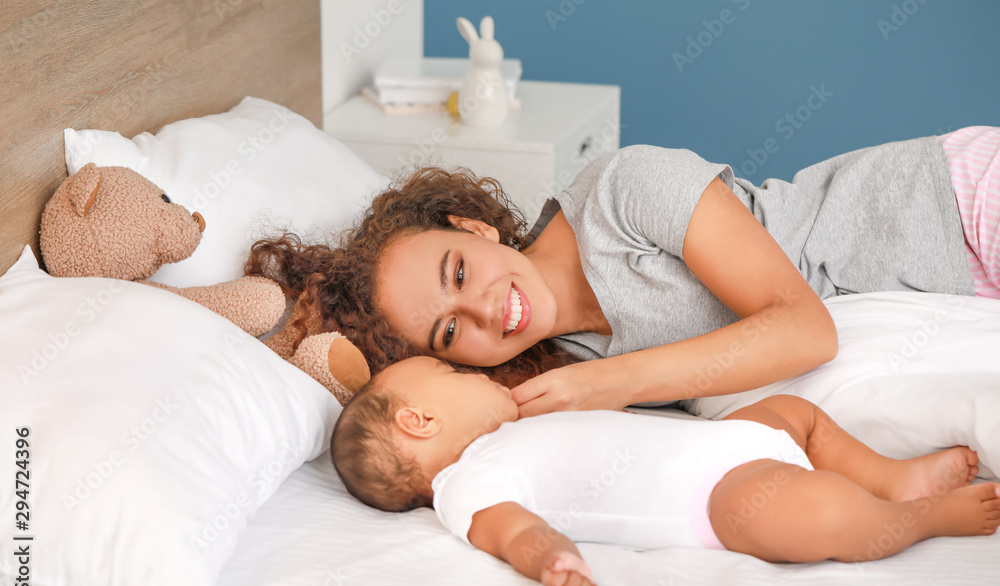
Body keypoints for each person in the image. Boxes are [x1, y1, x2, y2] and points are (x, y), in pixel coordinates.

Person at [247, 127, 1000, 416]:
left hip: (947, 207)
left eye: (457, 271)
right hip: (947, 307)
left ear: (474, 226)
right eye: (449, 332)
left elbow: (806, 328)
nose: (483, 311)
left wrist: (614, 383)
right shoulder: (555, 368)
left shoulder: (620, 190)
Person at [330, 356, 1000, 586]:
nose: (479, 373)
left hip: (725, 441)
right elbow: (515, 533)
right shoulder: (466, 482)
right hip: (722, 497)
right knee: (819, 514)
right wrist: (552, 559)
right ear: (421, 421)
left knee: (796, 414)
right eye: (458, 375)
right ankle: (924, 517)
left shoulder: (511, 431)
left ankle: (893, 477)